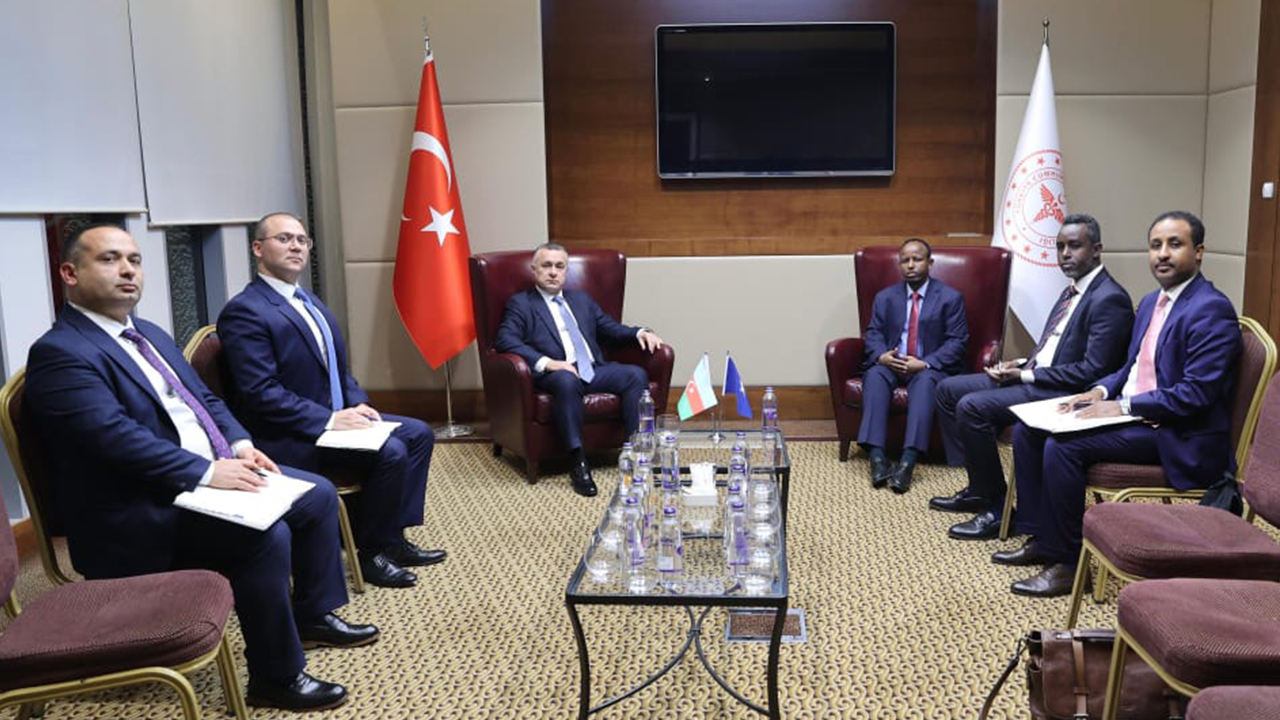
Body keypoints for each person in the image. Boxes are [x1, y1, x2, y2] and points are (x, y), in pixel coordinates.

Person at [24, 224, 374, 711]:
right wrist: (206, 473)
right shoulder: (60, 353)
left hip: (198, 479)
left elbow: (204, 399)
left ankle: (311, 617)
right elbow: (111, 440)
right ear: (69, 273)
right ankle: (276, 676)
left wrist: (239, 444)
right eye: (108, 259)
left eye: (134, 260)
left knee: (315, 494)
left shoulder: (147, 333)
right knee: (262, 537)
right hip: (137, 510)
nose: (127, 270)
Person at [1007, 210, 1241, 597]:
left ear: (1198, 252)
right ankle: (1042, 539)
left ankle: (1068, 566)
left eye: (1175, 244)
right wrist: (1100, 392)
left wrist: (1124, 406)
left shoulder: (1211, 309)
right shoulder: (1150, 302)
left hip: (1177, 433)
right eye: (1155, 245)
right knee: (1028, 430)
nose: (1162, 254)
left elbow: (1196, 393)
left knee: (1062, 447)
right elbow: (1130, 366)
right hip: (1139, 417)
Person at [217, 212, 441, 590]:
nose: (295, 247)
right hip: (290, 433)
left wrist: (356, 402)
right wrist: (329, 420)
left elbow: (337, 368)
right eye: (284, 239)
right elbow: (260, 393)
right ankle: (371, 553)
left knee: (418, 433)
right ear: (257, 248)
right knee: (391, 451)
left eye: (302, 240)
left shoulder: (307, 300)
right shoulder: (246, 310)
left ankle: (391, 538)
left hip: (333, 419)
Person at [933, 214, 1134, 542]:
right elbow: (1055, 349)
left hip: (1065, 391)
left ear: (1097, 249)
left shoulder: (1109, 298)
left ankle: (998, 510)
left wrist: (1026, 375)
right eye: (1060, 246)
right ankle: (979, 487)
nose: (1065, 254)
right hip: (1039, 376)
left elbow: (1093, 370)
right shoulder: (1071, 291)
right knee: (947, 390)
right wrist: (1021, 362)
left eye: (1074, 246)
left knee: (971, 407)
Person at [494, 242, 665, 497]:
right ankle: (577, 461)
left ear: (566, 271)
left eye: (559, 266)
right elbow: (505, 340)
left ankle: (635, 453)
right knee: (566, 380)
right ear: (534, 269)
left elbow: (609, 328)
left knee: (635, 375)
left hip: (592, 369)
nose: (553, 272)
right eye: (547, 266)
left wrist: (640, 332)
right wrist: (548, 362)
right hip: (555, 374)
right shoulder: (521, 303)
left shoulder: (581, 300)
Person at [857, 238, 969, 493]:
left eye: (917, 259)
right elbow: (873, 333)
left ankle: (908, 460)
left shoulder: (950, 298)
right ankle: (877, 457)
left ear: (930, 263)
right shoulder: (885, 297)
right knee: (874, 375)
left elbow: (957, 341)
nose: (910, 265)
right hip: (892, 363)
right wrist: (881, 356)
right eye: (905, 260)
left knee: (926, 382)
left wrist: (926, 363)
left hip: (928, 367)